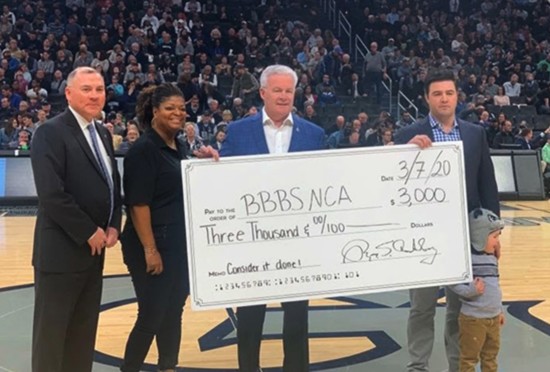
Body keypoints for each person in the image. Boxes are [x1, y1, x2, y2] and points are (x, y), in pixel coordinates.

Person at [394, 68, 500, 372]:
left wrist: (494, 234)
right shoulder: (407, 135)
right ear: (427, 98)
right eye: (437, 93)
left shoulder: (475, 133)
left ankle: (458, 365)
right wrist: (405, 154)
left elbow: (487, 186)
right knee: (421, 307)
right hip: (422, 236)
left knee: (459, 307)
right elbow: (393, 185)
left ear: (457, 96)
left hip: (464, 236)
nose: (444, 99)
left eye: (449, 93)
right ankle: (418, 366)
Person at [220, 64, 325, 372]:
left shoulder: (314, 134)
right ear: (263, 92)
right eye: (277, 90)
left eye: (288, 91)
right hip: (252, 242)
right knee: (250, 318)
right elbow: (222, 179)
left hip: (298, 242)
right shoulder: (238, 131)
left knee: (297, 319)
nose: (283, 96)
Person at [30, 66, 122, 371]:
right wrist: (87, 231)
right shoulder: (50, 132)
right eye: (87, 89)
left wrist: (113, 224)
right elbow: (51, 194)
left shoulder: (103, 133)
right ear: (69, 93)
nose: (95, 95)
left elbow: (111, 184)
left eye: (99, 89)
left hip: (93, 254)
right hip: (61, 254)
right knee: (52, 338)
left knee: (82, 336)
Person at [120, 83, 217, 372]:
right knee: (151, 314)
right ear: (154, 112)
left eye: (182, 108)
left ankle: (167, 367)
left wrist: (203, 164)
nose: (178, 113)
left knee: (173, 312)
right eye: (170, 108)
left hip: (178, 244)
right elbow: (138, 204)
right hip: (150, 245)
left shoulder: (180, 146)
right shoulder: (144, 150)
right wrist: (151, 250)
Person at [447, 208, 505, 372]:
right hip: (473, 320)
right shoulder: (468, 260)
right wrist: (471, 290)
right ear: (479, 237)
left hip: (493, 318)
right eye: (494, 237)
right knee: (469, 359)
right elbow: (454, 283)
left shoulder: (492, 259)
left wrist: (499, 310)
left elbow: (495, 285)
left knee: (491, 357)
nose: (497, 242)